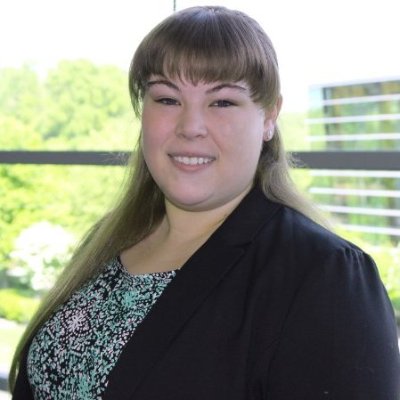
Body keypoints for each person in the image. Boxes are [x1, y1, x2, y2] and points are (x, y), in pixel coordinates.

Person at [10, 5, 400, 400]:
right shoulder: (111, 240)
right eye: (166, 99)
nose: (190, 128)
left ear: (269, 116)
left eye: (223, 102)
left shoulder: (325, 277)